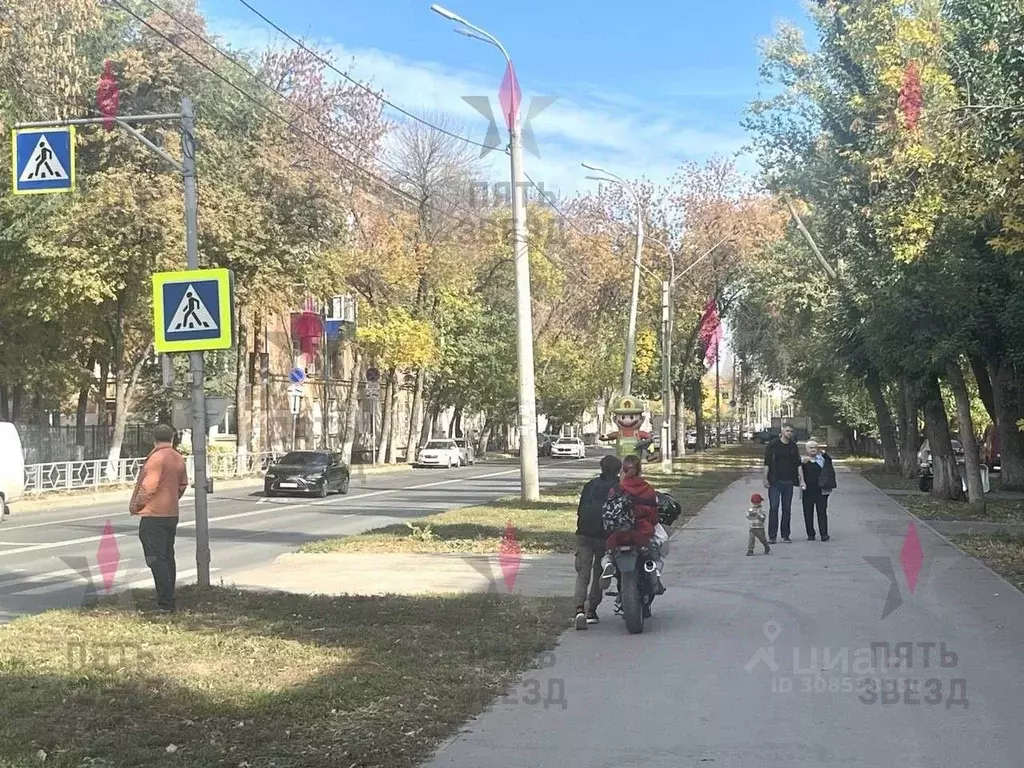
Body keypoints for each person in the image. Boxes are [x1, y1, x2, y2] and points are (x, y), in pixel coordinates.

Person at [129, 424, 189, 612]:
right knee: (167, 557)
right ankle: (169, 597)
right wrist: (171, 499)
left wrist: (137, 505)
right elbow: (182, 485)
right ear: (172, 438)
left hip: (154, 515)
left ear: (153, 438)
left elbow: (148, 487)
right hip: (171, 514)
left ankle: (165, 603)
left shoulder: (156, 458)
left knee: (156, 559)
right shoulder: (177, 457)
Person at [573, 455, 622, 630]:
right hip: (604, 536)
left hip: (584, 534)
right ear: (618, 469)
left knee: (582, 574)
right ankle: (592, 610)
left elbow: (580, 510)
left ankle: (579, 609)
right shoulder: (618, 487)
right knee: (599, 572)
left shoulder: (589, 485)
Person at [599, 454, 660, 590]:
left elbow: (610, 509)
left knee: (609, 552)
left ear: (623, 470)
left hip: (619, 533)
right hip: (642, 532)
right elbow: (654, 516)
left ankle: (608, 564)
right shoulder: (648, 489)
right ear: (640, 470)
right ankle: (653, 569)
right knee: (655, 551)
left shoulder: (616, 488)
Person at [762, 423, 805, 544]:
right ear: (782, 431)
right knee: (774, 508)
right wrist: (765, 479)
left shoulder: (793, 446)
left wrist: (802, 480)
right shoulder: (773, 445)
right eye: (787, 431)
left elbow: (798, 464)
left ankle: (786, 535)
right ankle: (772, 536)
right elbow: (767, 463)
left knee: (787, 509)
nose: (789, 433)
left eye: (791, 431)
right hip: (775, 481)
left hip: (788, 482)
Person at [800, 440, 837, 541]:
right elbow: (797, 473)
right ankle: (810, 534)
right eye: (811, 448)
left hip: (821, 491)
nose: (813, 449)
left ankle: (824, 534)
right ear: (806, 450)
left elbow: (829, 465)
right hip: (807, 491)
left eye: (815, 447)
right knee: (808, 513)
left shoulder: (822, 460)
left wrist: (824, 454)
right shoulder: (803, 461)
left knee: (822, 512)